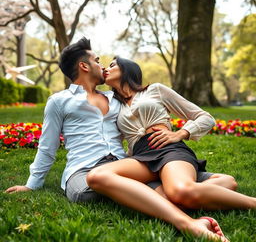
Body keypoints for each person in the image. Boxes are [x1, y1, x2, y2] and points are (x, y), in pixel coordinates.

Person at [5, 37, 231, 241]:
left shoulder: (116, 100)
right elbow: (47, 146)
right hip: (84, 171)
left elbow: (141, 112)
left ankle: (187, 198)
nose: (102, 65)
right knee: (106, 191)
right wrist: (32, 184)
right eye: (97, 60)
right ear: (84, 66)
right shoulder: (59, 101)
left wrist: (173, 132)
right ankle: (190, 217)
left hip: (125, 165)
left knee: (190, 186)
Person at [86, 56, 256, 236]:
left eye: (113, 65)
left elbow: (206, 118)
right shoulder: (114, 105)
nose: (107, 68)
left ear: (128, 70)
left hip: (168, 149)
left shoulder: (155, 90)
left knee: (179, 192)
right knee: (98, 175)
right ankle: (217, 184)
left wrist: (180, 133)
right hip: (140, 156)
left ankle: (252, 202)